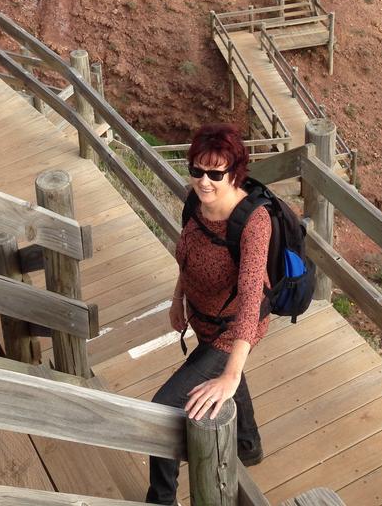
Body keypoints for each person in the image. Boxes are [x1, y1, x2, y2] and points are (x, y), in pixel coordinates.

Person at [145, 123, 272, 506]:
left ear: (235, 172)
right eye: (197, 170)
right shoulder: (194, 201)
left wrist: (231, 372)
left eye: (216, 173)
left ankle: (161, 499)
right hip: (200, 317)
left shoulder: (254, 222)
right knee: (223, 379)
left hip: (233, 329)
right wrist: (176, 300)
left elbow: (250, 298)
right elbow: (187, 257)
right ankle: (249, 446)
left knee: (164, 409)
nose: (204, 181)